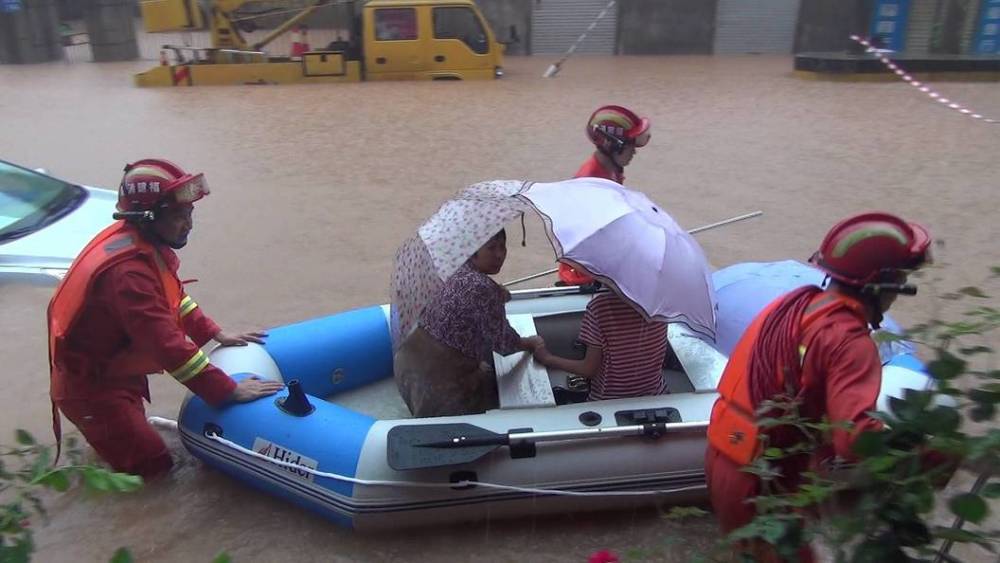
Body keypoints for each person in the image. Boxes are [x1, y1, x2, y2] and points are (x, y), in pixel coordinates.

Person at [705, 212, 933, 562]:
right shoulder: (849, 342)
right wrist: (927, 451)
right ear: (879, 285)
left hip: (725, 454)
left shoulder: (794, 303)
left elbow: (792, 384)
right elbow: (856, 441)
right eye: (900, 280)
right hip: (760, 478)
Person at [48, 159, 284, 478]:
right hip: (93, 388)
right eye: (178, 217)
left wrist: (215, 333)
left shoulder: (143, 246)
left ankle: (106, 450)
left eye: (189, 214)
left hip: (112, 374)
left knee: (129, 449)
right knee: (153, 467)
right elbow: (166, 345)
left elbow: (174, 299)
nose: (188, 225)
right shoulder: (128, 273)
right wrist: (228, 390)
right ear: (148, 218)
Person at [394, 229, 544, 417]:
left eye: (502, 247)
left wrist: (496, 292)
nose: (500, 255)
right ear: (471, 252)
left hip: (408, 363)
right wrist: (531, 342)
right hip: (437, 384)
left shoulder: (452, 269)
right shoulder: (482, 287)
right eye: (491, 248)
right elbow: (504, 344)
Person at [559, 105, 651, 286]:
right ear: (612, 144)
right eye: (630, 145)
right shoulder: (591, 182)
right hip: (586, 276)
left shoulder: (610, 171)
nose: (634, 151)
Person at [533, 285, 668, 400]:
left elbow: (588, 370)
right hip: (656, 396)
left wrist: (547, 358)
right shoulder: (663, 302)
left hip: (608, 402)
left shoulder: (600, 308)